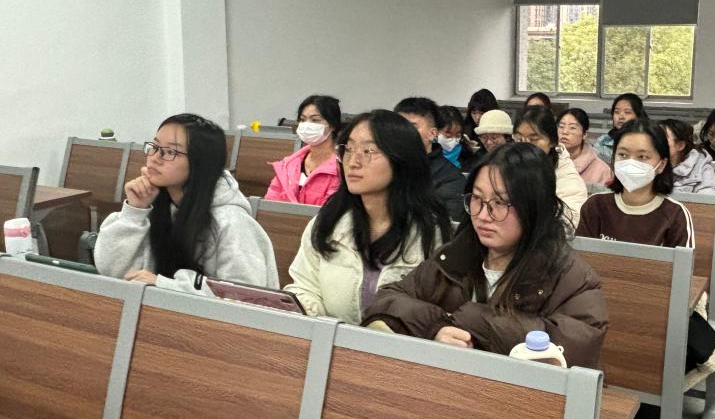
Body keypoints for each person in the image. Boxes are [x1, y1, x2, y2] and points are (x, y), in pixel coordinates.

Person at [362, 142, 607, 368]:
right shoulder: (457, 256)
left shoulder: (572, 277)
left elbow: (578, 350)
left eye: (500, 202)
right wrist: (435, 327)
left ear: (534, 207)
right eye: (477, 199)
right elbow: (387, 299)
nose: (482, 215)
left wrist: (473, 321)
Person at [575, 121, 715, 419]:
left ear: (661, 164)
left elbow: (680, 289)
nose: (630, 163)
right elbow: (580, 272)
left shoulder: (674, 215)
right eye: (623, 154)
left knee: (643, 398)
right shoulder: (595, 207)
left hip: (652, 321)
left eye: (643, 156)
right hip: (600, 311)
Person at [285, 110, 452, 321]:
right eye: (349, 149)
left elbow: (438, 312)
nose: (353, 162)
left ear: (401, 159)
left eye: (368, 151)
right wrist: (307, 312)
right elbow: (305, 286)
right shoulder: (329, 220)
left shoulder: (431, 232)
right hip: (329, 337)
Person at [95, 113, 278, 294]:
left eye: (170, 152)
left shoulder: (232, 222)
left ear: (200, 163)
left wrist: (164, 285)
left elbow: (246, 296)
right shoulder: (156, 203)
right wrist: (134, 211)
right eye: (154, 147)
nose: (155, 157)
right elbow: (114, 271)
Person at [394, 97, 468, 223]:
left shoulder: (451, 179)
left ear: (433, 133)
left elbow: (447, 228)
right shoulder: (385, 168)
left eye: (411, 127)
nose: (401, 133)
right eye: (396, 127)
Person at [514, 106, 588, 228]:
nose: (525, 146)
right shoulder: (507, 164)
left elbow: (570, 224)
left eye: (534, 139)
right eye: (519, 139)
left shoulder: (567, 177)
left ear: (553, 141)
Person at [265, 94, 342, 206]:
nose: (307, 125)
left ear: (332, 125)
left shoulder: (342, 168)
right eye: (302, 120)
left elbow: (331, 210)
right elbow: (270, 203)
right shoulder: (288, 165)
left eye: (315, 120)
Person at [660, 118, 715, 195]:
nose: (656, 143)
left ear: (680, 145)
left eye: (663, 139)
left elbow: (708, 198)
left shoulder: (701, 168)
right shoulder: (651, 164)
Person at [557, 108, 612, 187]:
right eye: (561, 126)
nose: (565, 132)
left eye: (572, 128)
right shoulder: (547, 160)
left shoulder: (602, 170)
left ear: (584, 134)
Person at [595, 93, 648, 164]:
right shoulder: (603, 141)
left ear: (638, 116)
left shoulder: (647, 141)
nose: (621, 117)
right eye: (617, 112)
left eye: (627, 112)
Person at [437, 105, 479, 172]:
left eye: (457, 135)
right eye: (448, 135)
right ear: (435, 132)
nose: (453, 140)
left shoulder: (468, 157)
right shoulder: (426, 155)